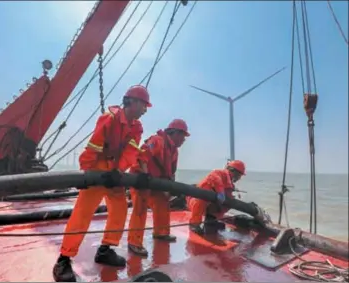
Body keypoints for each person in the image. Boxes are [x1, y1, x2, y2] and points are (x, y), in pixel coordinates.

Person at [52, 85, 152, 282]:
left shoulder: (137, 127)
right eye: (143, 105)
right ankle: (64, 259)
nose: (145, 110)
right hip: (97, 169)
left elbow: (131, 151)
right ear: (132, 102)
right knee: (83, 213)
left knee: (120, 209)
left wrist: (118, 170)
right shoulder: (109, 118)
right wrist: (86, 174)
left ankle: (105, 250)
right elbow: (94, 146)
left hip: (114, 173)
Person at [127, 119, 190, 257]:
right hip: (141, 179)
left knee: (163, 203)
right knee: (140, 208)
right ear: (175, 133)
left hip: (157, 183)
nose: (184, 140)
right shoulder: (157, 140)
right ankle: (134, 242)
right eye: (183, 136)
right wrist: (144, 175)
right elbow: (142, 155)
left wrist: (169, 188)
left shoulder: (174, 151)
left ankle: (161, 233)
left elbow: (171, 172)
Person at [187, 160, 246, 235]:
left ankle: (211, 219)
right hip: (195, 201)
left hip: (208, 205)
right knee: (202, 198)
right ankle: (194, 224)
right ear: (233, 171)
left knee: (227, 203)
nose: (239, 178)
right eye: (239, 175)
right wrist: (220, 191)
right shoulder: (220, 173)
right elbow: (214, 177)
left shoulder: (229, 183)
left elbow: (228, 196)